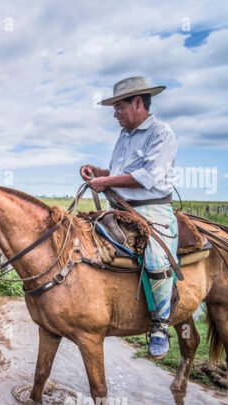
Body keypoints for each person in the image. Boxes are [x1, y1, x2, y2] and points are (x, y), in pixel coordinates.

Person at [80, 76, 178, 359]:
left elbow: (148, 177)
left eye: (119, 106)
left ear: (138, 102)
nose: (115, 113)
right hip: (119, 206)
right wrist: (98, 173)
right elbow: (117, 172)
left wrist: (105, 181)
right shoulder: (124, 135)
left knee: (156, 256)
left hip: (150, 207)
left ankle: (160, 325)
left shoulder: (161, 132)